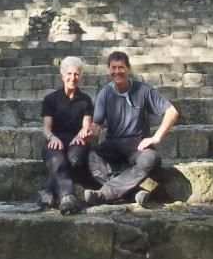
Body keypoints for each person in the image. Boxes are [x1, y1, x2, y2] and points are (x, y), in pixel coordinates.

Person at [83, 51, 178, 207]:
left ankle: (106, 194)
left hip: (138, 144)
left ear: (128, 69)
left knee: (152, 159)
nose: (117, 71)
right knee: (89, 156)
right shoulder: (105, 93)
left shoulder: (144, 90)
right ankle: (134, 193)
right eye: (113, 67)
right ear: (108, 69)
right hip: (113, 144)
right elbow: (96, 127)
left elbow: (172, 112)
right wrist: (87, 131)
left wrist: (156, 138)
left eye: (121, 67)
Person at [39, 56, 93, 214]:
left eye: (76, 74)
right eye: (69, 74)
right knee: (58, 159)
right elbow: (46, 129)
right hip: (55, 142)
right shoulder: (51, 99)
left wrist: (83, 134)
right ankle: (67, 197)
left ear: (80, 76)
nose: (72, 78)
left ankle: (47, 190)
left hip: (77, 142)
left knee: (73, 159)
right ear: (62, 76)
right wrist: (52, 137)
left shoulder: (85, 100)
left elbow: (86, 127)